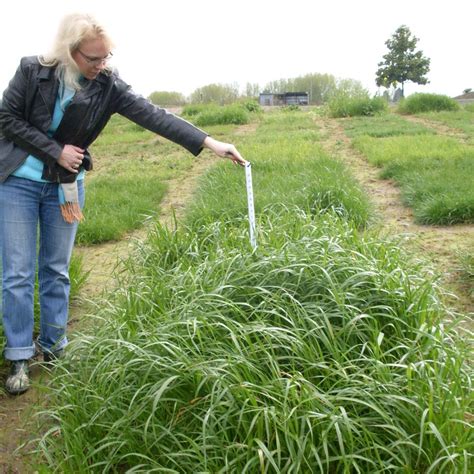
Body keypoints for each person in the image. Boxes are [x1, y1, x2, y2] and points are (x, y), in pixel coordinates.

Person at [0, 13, 246, 395]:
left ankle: (53, 347)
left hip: (66, 186)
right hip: (19, 182)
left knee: (56, 269)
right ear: (70, 51)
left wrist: (208, 142)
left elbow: (154, 115)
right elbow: (7, 118)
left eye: (106, 57)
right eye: (93, 59)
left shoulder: (108, 85)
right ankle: (18, 355)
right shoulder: (32, 71)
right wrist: (55, 150)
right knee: (17, 272)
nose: (102, 66)